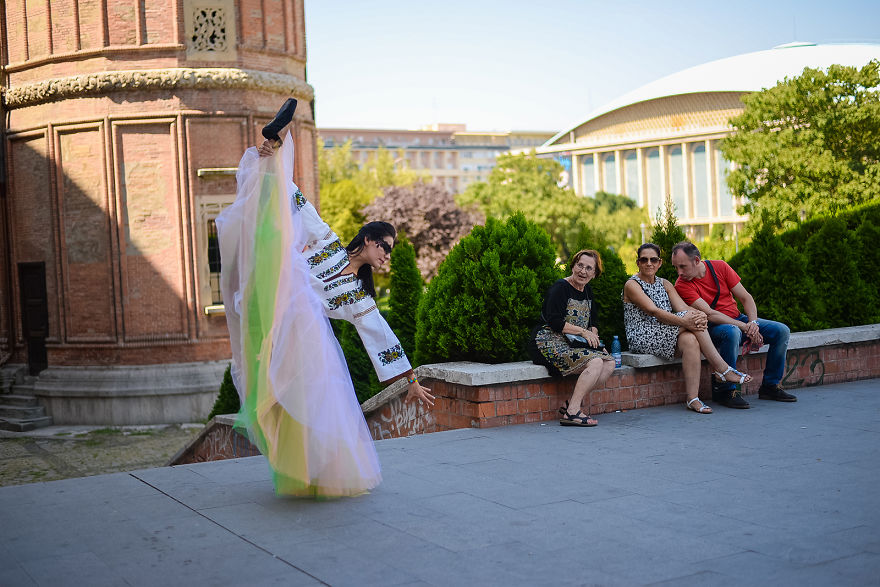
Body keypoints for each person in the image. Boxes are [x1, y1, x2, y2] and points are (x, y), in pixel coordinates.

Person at [217, 99, 433, 498]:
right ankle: (271, 143)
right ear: (368, 240)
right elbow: (297, 202)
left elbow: (381, 336)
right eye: (385, 246)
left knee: (312, 406)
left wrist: (411, 380)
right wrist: (275, 160)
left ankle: (311, 472)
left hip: (309, 338)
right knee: (272, 231)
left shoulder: (359, 298)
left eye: (390, 251)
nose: (387, 255)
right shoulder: (329, 242)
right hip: (281, 306)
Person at [623, 243, 754, 414]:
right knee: (693, 324)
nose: (649, 263)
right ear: (638, 262)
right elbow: (653, 311)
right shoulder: (632, 284)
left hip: (665, 332)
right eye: (644, 259)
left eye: (653, 259)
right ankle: (722, 369)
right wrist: (688, 321)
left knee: (691, 339)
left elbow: (683, 308)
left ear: (660, 263)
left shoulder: (665, 284)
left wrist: (698, 315)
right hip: (642, 334)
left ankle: (692, 399)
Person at [671, 241, 795, 409]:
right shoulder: (682, 284)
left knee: (781, 331)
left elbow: (746, 298)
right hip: (713, 327)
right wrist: (744, 327)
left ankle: (770, 386)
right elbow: (709, 313)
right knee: (732, 331)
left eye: (683, 267)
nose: (679, 272)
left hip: (738, 319)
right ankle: (727, 390)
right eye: (676, 267)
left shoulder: (720, 267)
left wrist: (753, 323)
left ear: (697, 261)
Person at [528, 250, 616, 427]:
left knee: (609, 363)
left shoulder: (587, 291)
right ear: (573, 266)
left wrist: (596, 342)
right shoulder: (560, 288)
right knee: (596, 362)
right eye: (580, 265)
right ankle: (573, 412)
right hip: (548, 341)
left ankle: (571, 405)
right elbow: (554, 322)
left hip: (572, 342)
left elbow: (593, 322)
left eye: (588, 268)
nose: (583, 271)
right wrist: (584, 333)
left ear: (595, 273)